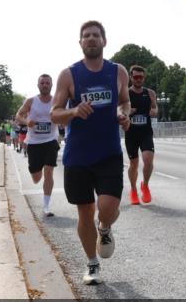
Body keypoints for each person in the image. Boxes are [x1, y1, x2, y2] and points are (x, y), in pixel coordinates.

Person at [51, 20, 131, 285]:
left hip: (108, 152)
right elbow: (55, 113)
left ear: (104, 41)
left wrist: (123, 113)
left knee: (107, 207)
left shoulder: (118, 72)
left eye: (96, 35)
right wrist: (73, 111)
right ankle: (92, 263)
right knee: (84, 212)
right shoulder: (69, 75)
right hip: (78, 156)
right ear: (80, 42)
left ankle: (105, 227)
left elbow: (125, 100)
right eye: (86, 36)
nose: (91, 39)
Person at [16, 74, 61, 217]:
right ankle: (37, 169)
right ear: (38, 85)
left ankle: (46, 206)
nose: (45, 85)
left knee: (49, 171)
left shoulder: (57, 101)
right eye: (42, 83)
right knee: (36, 178)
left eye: (48, 83)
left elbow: (64, 114)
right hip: (34, 142)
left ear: (51, 85)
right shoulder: (31, 101)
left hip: (51, 140)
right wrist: (26, 121)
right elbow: (18, 115)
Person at [124, 65, 159, 205]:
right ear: (131, 77)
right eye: (136, 77)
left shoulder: (150, 93)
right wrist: (127, 111)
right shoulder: (125, 93)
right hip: (131, 133)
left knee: (148, 160)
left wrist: (154, 111)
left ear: (144, 78)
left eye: (141, 77)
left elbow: (155, 107)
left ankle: (145, 185)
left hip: (145, 132)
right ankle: (133, 190)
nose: (138, 79)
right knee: (134, 163)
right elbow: (119, 110)